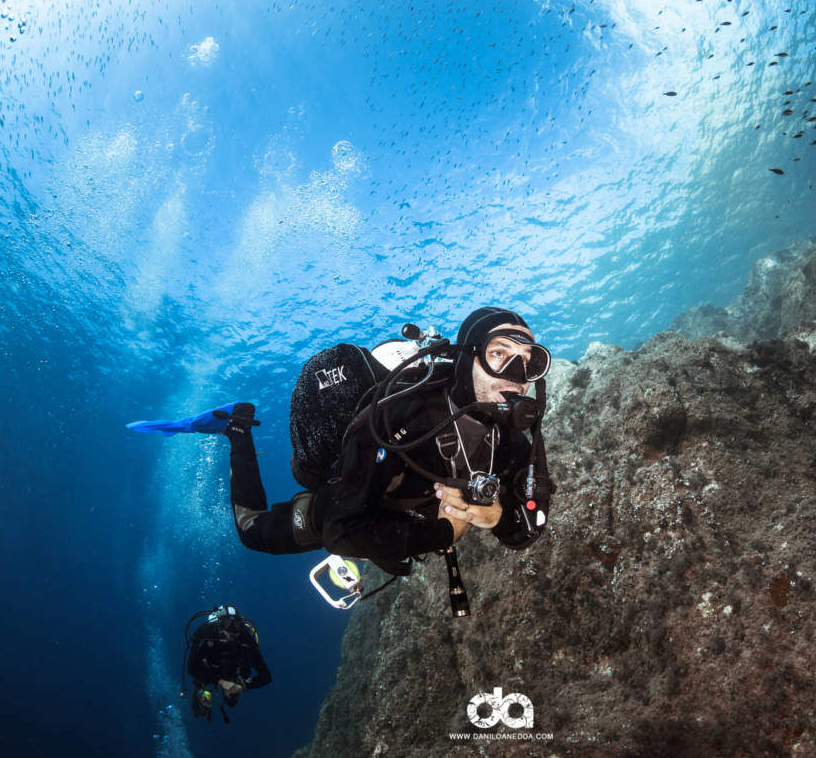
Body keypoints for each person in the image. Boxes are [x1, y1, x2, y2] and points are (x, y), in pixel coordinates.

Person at [221, 307, 554, 575]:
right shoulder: (402, 414)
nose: (516, 374)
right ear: (468, 357)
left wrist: (497, 516)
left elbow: (530, 526)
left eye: (529, 361)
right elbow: (340, 530)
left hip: (406, 519)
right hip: (350, 498)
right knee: (252, 533)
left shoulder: (510, 438)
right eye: (499, 353)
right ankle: (238, 428)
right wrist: (443, 534)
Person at [184, 605, 271, 721]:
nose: (234, 630)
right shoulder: (244, 640)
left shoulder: (242, 640)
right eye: (230, 625)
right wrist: (245, 686)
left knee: (199, 685)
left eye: (236, 625)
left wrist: (221, 682)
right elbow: (266, 677)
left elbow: (192, 669)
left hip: (210, 673)